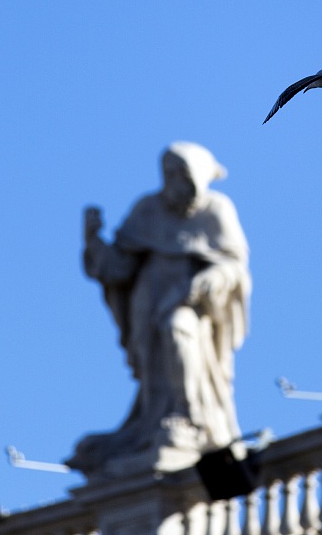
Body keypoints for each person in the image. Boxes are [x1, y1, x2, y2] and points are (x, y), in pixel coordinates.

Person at [69, 142, 251, 474]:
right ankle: (155, 425)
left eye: (181, 174)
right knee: (155, 368)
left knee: (178, 333)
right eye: (168, 173)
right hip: (146, 306)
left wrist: (207, 281)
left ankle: (189, 415)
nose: (173, 181)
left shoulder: (215, 211)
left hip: (189, 304)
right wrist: (94, 242)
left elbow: (233, 266)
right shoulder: (147, 211)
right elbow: (119, 268)